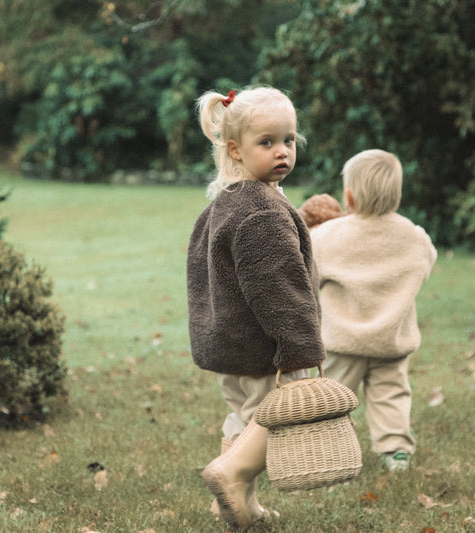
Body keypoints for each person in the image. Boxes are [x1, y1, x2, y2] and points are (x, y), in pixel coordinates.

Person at [186, 86, 325, 529]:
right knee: (277, 419)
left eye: (289, 140)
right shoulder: (261, 210)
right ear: (235, 150)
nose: (281, 151)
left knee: (244, 418)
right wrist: (300, 347)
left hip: (231, 343)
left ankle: (234, 502)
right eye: (266, 143)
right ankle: (230, 474)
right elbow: (279, 288)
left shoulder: (226, 202)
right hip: (265, 348)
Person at [309, 149, 437, 472]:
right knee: (391, 396)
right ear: (397, 195)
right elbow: (427, 262)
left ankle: (329, 453)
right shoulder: (413, 236)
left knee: (333, 401)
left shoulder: (326, 236)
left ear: (348, 196)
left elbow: (309, 272)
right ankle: (396, 452)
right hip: (391, 341)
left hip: (342, 341)